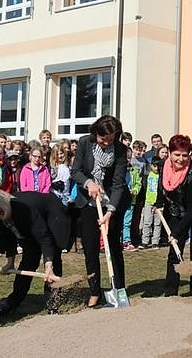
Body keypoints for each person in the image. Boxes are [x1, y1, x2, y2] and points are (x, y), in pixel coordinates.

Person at [0, 190, 67, 316]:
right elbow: (8, 238)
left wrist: (48, 266)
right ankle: (14, 300)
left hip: (52, 213)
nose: (1, 217)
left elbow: (44, 237)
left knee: (54, 256)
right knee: (29, 259)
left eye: (1, 213)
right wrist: (10, 262)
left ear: (3, 205)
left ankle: (53, 301)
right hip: (29, 223)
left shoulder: (23, 208)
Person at [70, 115, 128, 308]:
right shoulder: (85, 143)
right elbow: (76, 171)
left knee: (113, 247)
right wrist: (89, 183)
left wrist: (110, 212)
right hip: (88, 203)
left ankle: (119, 288)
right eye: (103, 139)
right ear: (96, 133)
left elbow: (119, 183)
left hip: (111, 202)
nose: (107, 143)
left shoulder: (120, 150)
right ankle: (94, 290)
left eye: (111, 139)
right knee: (91, 248)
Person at [157, 134, 192, 296]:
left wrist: (176, 231)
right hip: (177, 211)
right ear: (170, 153)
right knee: (174, 251)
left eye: (184, 155)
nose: (180, 159)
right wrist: (159, 203)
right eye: (177, 154)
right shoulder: (164, 167)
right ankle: (170, 291)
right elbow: (164, 188)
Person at [140, 157, 162, 249]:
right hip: (148, 201)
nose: (156, 168)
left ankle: (155, 242)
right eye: (154, 166)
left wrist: (159, 203)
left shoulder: (161, 177)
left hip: (159, 203)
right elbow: (144, 187)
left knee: (157, 223)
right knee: (147, 222)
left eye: (158, 166)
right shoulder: (148, 175)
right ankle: (145, 241)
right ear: (151, 165)